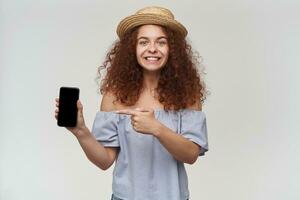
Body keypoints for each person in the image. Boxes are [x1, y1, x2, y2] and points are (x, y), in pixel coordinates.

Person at [55, 6, 209, 200]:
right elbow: (105, 161)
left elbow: (191, 155)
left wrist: (157, 128)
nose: (152, 49)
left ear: (173, 49)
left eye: (161, 42)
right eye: (143, 42)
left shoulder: (187, 95)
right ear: (132, 49)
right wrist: (81, 132)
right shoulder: (114, 96)